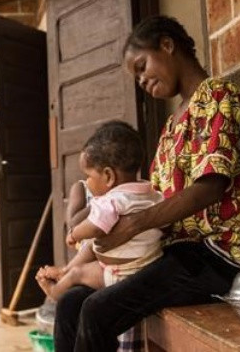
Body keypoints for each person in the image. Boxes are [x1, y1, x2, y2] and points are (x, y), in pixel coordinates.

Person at [54, 16, 240, 352]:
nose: (141, 80)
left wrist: (136, 224)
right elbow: (143, 202)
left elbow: (210, 187)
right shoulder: (171, 127)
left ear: (167, 45)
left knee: (97, 311)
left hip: (218, 255)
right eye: (136, 76)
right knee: (72, 302)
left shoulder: (218, 97)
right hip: (174, 253)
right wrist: (75, 265)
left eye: (142, 66)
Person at [35, 121, 163, 301]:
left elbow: (94, 227)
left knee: (78, 273)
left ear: (109, 176)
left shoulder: (111, 201)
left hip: (123, 273)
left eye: (89, 176)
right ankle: (65, 270)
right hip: (150, 265)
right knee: (92, 246)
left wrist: (74, 234)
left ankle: (55, 292)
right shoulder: (150, 192)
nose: (87, 182)